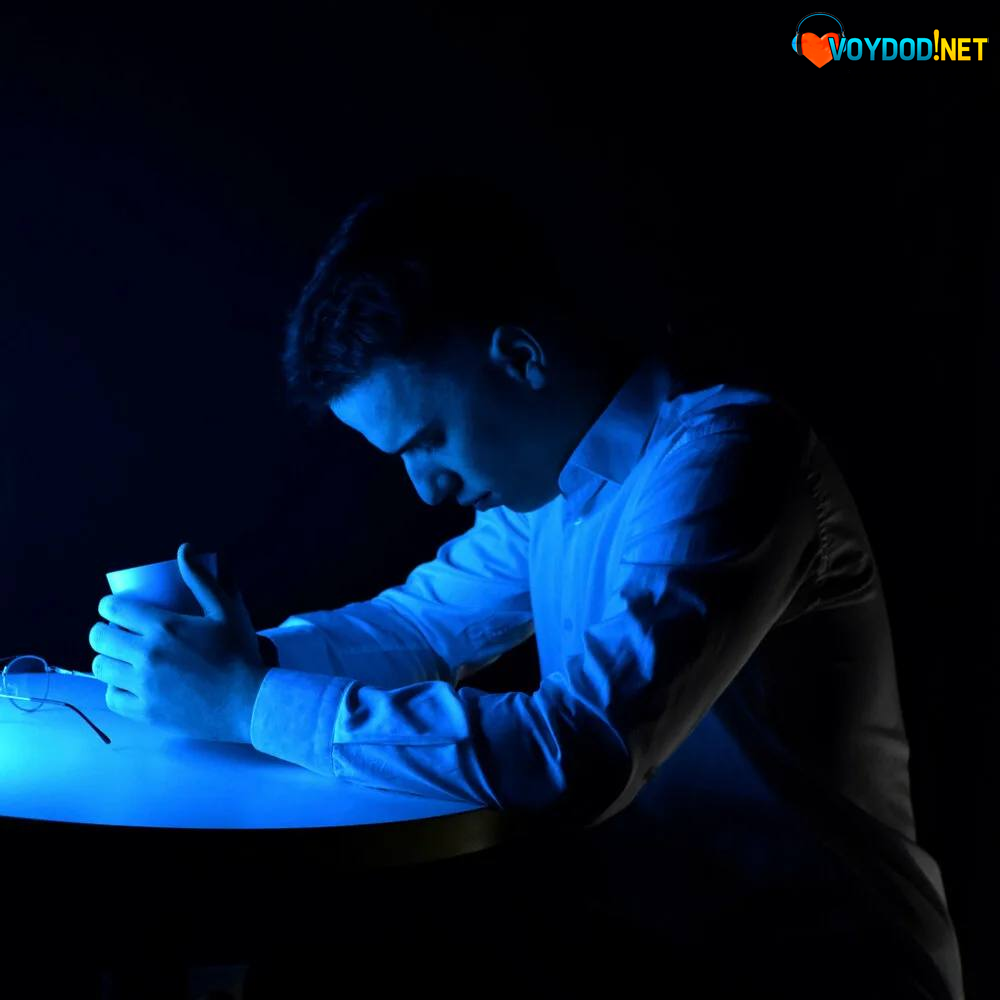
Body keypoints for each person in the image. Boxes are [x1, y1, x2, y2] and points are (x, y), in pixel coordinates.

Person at [90, 174, 965, 999]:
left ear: (519, 355)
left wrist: (248, 702)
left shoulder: (728, 457)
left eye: (426, 439)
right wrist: (228, 663)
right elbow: (417, 630)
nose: (425, 489)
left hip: (829, 970)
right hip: (669, 950)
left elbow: (578, 754)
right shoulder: (550, 495)